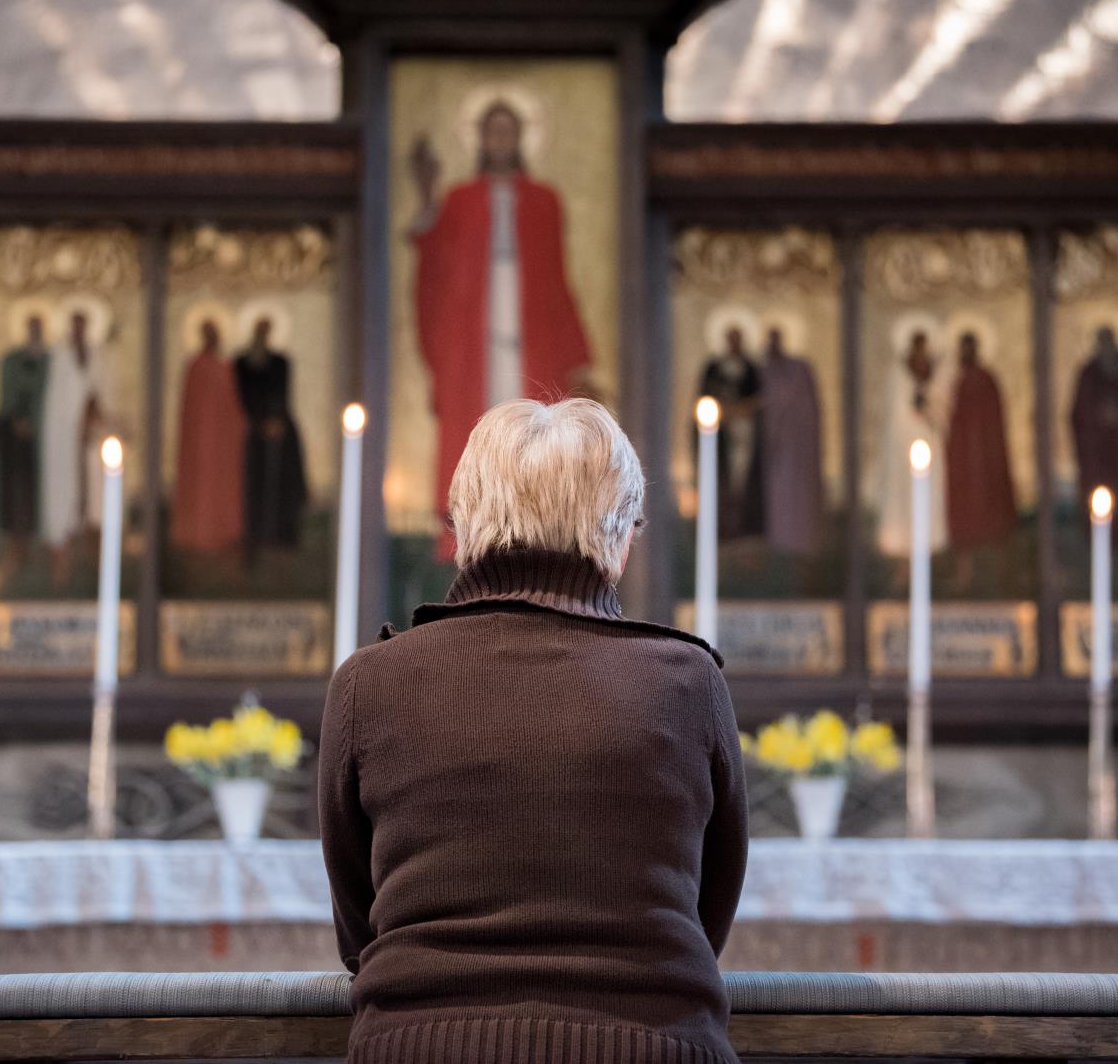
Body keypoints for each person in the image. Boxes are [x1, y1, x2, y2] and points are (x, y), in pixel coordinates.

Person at [319, 398, 747, 1064]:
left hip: (419, 1049)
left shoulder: (369, 684)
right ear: (621, 534)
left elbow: (359, 924)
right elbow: (706, 911)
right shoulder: (685, 682)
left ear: (462, 526)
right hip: (650, 1047)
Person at [409, 101, 593, 543]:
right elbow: (433, 265)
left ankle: (533, 525)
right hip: (475, 336)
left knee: (533, 427)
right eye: (492, 131)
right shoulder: (459, 199)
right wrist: (426, 196)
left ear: (520, 138)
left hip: (532, 334)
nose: (500, 140)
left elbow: (556, 276)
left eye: (508, 130)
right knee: (480, 424)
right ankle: (478, 527)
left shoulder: (544, 200)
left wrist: (577, 354)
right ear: (480, 139)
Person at [40, 309, 112, 588]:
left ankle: (98, 569)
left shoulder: (96, 356)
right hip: (63, 441)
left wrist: (94, 418)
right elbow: (59, 401)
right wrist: (74, 422)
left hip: (91, 442)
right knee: (63, 502)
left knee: (95, 503)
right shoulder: (61, 358)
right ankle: (61, 571)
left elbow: (98, 392)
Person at [944, 331, 1018, 585]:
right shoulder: (954, 380)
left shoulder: (986, 380)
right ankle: (965, 573)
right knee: (963, 515)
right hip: (962, 460)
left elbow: (993, 419)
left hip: (986, 458)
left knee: (993, 513)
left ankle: (1001, 572)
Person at [171, 318, 246, 554]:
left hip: (222, 443)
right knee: (200, 488)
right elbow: (189, 408)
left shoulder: (225, 366)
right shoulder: (195, 366)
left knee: (221, 489)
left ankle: (222, 536)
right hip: (200, 441)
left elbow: (233, 405)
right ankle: (198, 537)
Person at [235, 316, 307, 559]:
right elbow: (241, 398)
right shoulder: (241, 364)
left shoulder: (280, 362)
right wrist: (258, 423)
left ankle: (282, 538)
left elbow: (283, 394)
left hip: (280, 429)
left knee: (283, 483)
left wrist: (276, 420)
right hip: (251, 433)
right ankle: (253, 539)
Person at [1069, 326, 1118, 539]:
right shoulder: (1089, 373)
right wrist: (1098, 417)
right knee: (1097, 493)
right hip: (1096, 451)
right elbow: (1078, 413)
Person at [876, 328, 948, 557]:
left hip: (929, 441)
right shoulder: (898, 374)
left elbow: (941, 409)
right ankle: (900, 551)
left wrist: (928, 407)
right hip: (902, 443)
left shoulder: (935, 374)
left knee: (929, 496)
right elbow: (895, 411)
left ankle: (929, 545)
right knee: (902, 496)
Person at [0, 313, 49, 569]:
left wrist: (35, 423)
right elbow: (5, 400)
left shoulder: (51, 362)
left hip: (41, 443)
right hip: (12, 444)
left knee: (37, 496)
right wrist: (14, 422)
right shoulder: (11, 361)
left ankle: (36, 552)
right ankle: (14, 551)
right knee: (13, 497)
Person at [758, 326, 824, 555]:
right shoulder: (763, 371)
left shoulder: (799, 369)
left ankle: (800, 546)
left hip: (797, 446)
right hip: (773, 449)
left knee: (798, 500)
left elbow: (808, 407)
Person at [698, 326, 763, 540]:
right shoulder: (714, 367)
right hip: (720, 431)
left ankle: (743, 523)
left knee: (741, 477)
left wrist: (740, 410)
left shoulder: (751, 369)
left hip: (743, 428)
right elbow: (704, 398)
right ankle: (722, 525)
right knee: (720, 477)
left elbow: (758, 399)